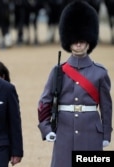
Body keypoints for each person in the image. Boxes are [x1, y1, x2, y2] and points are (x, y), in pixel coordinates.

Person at [37, 1, 112, 167]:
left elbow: (106, 107)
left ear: (89, 40)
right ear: (68, 40)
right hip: (64, 132)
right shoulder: (58, 71)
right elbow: (44, 103)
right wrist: (47, 129)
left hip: (91, 133)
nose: (78, 43)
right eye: (75, 40)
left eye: (82, 39)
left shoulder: (100, 72)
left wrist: (106, 134)